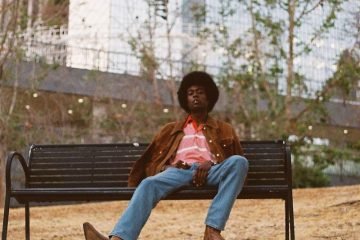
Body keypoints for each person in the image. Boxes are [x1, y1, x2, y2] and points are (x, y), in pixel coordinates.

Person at [83, 71, 249, 240]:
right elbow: (152, 162)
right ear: (185, 100)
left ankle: (212, 230)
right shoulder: (170, 129)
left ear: (209, 97)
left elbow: (235, 163)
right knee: (148, 184)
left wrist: (212, 163)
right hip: (178, 172)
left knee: (239, 162)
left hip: (211, 172)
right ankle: (119, 239)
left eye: (200, 92)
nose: (195, 96)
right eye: (190, 93)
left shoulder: (224, 128)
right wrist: (167, 167)